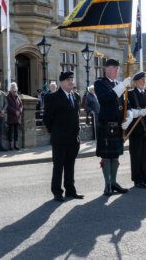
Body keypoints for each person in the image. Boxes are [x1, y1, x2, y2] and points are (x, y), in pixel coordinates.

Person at [44, 71, 84, 202]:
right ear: (61, 82)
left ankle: (70, 190)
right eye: (68, 80)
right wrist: (55, 132)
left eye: (72, 79)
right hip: (60, 138)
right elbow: (47, 119)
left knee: (70, 165)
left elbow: (76, 116)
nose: (71, 82)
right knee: (58, 166)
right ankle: (57, 192)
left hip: (73, 138)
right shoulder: (53, 97)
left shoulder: (76, 96)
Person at [94, 59, 130, 196]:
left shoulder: (118, 84)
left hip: (118, 126)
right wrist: (122, 86)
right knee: (106, 157)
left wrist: (128, 117)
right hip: (106, 125)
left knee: (115, 156)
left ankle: (114, 182)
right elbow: (106, 98)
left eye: (118, 69)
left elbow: (125, 104)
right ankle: (107, 185)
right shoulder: (100, 83)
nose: (117, 71)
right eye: (115, 68)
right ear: (106, 69)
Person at [123, 71, 146, 188]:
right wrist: (138, 112)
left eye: (145, 80)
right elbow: (126, 111)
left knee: (145, 155)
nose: (144, 82)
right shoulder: (129, 93)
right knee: (136, 155)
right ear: (136, 82)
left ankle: (145, 176)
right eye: (141, 80)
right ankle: (137, 179)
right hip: (136, 130)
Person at [6, 82, 23, 150]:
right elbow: (8, 106)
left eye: (15, 87)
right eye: (13, 87)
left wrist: (20, 111)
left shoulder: (18, 97)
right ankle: (11, 145)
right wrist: (15, 111)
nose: (14, 89)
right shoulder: (8, 97)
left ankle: (16, 144)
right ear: (10, 89)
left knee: (16, 132)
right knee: (11, 132)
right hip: (11, 117)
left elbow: (21, 105)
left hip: (17, 117)